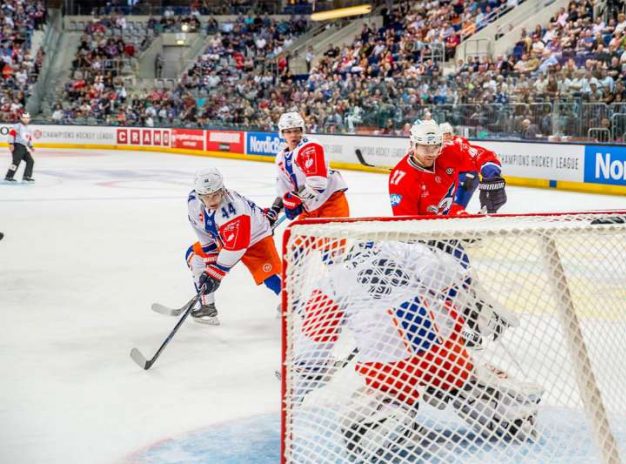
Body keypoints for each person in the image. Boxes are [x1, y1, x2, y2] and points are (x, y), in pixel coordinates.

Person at [292, 240, 543, 461]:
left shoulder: (330, 282)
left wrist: (304, 379)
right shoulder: (399, 249)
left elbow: (313, 344)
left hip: (387, 363)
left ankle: (380, 418)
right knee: (466, 379)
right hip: (441, 348)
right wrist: (470, 304)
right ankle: (509, 411)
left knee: (382, 395)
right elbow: (441, 274)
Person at [186, 168, 282, 324]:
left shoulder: (235, 210)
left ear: (222, 190)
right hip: (224, 236)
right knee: (195, 257)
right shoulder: (193, 201)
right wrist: (210, 258)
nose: (212, 201)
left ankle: (296, 305)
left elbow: (236, 247)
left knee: (271, 277)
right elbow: (199, 226)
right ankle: (207, 308)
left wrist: (216, 274)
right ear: (198, 195)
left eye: (216, 195)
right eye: (207, 197)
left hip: (255, 235)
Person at [388, 121, 506, 217]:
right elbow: (407, 230)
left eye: (435, 147)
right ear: (413, 145)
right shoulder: (401, 180)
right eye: (425, 148)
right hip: (423, 236)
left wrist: (492, 177)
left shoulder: (448, 150)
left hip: (444, 225)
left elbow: (483, 156)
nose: (431, 154)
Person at [270, 111, 349, 223]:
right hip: (308, 207)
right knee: (297, 240)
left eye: (296, 130)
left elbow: (317, 184)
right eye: (288, 131)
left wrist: (295, 200)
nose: (293, 135)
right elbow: (285, 191)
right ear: (282, 134)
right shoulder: (280, 158)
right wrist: (275, 210)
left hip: (330, 202)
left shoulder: (310, 146)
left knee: (332, 239)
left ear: (302, 131)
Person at [5, 112, 35, 183]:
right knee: (16, 162)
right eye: (24, 118)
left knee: (30, 161)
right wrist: (11, 143)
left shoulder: (28, 128)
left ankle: (26, 177)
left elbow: (28, 138)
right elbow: (12, 134)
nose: (26, 119)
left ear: (29, 119)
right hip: (17, 146)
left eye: (27, 118)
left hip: (23, 147)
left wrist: (30, 146)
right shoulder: (17, 126)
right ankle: (9, 176)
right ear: (21, 118)